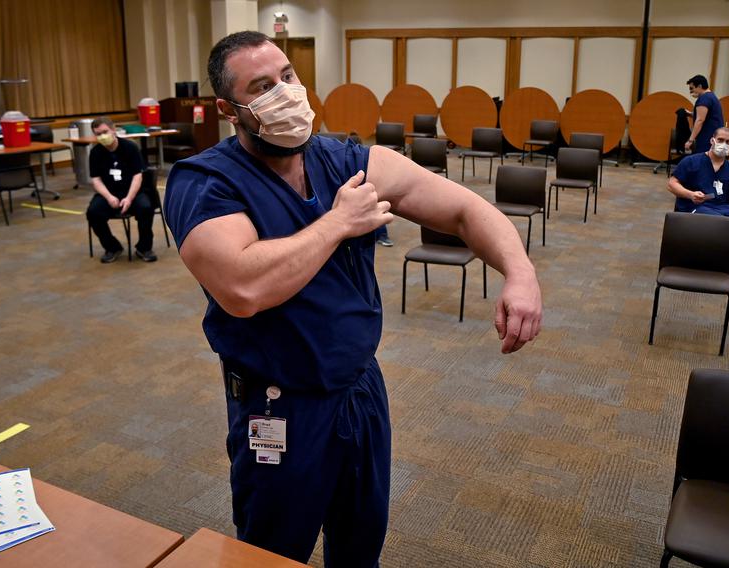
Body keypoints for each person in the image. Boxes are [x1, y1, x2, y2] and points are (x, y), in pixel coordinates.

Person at [164, 31, 541, 566]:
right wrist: (338, 222)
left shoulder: (346, 160)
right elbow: (243, 289)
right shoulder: (206, 183)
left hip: (359, 389)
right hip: (279, 404)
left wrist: (520, 271)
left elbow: (463, 210)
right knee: (273, 554)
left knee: (361, 544)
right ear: (229, 108)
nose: (286, 93)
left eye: (288, 76)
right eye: (262, 86)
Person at [667, 126, 729, 290]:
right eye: (720, 140)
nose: (724, 144)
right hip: (696, 208)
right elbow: (672, 184)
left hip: (724, 210)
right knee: (723, 223)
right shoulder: (692, 162)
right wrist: (690, 194)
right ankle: (724, 266)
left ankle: (724, 262)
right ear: (712, 140)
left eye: (728, 142)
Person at [86, 117, 158, 263]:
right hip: (110, 192)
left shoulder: (130, 147)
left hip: (132, 190)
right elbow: (96, 180)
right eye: (98, 134)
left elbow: (138, 176)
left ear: (113, 129)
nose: (102, 136)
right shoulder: (95, 153)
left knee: (145, 207)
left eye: (105, 132)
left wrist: (129, 198)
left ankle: (144, 248)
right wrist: (109, 197)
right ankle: (112, 247)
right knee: (93, 213)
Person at [682, 74, 724, 155]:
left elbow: (700, 120)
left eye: (692, 88)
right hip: (714, 138)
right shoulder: (711, 97)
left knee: (703, 163)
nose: (690, 91)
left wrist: (690, 140)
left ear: (700, 86)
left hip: (706, 139)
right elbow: (707, 116)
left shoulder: (704, 98)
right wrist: (690, 114)